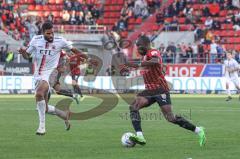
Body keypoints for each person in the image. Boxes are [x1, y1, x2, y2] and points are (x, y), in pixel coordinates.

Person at [120, 35, 206, 147]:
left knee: (170, 118)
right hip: (149, 90)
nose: (138, 49)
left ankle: (198, 130)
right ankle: (140, 136)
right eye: (137, 47)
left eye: (139, 47)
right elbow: (157, 67)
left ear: (146, 45)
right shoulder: (145, 56)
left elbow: (155, 61)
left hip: (161, 90)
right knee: (133, 107)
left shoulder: (153, 52)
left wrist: (138, 65)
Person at [18, 21, 89, 135]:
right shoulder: (36, 40)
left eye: (52, 33)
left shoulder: (60, 41)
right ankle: (64, 114)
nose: (51, 36)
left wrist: (85, 56)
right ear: (43, 33)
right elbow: (28, 55)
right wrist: (23, 53)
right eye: (48, 33)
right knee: (43, 108)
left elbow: (73, 50)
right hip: (38, 75)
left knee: (40, 94)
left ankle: (42, 128)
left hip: (51, 73)